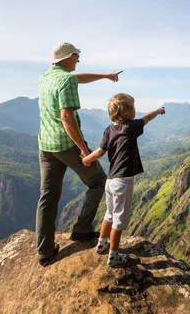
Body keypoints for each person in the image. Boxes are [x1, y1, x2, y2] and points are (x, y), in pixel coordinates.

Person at [36, 42, 123, 267]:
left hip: (46, 145)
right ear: (67, 58)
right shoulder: (65, 80)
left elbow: (78, 78)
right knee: (99, 182)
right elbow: (67, 117)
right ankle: (82, 229)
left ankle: (45, 252)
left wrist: (105, 76)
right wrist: (84, 149)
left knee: (47, 197)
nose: (78, 60)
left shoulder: (47, 76)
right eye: (76, 56)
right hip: (67, 145)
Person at [82, 93, 166, 266]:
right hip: (123, 182)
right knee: (118, 221)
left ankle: (101, 244)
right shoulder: (131, 127)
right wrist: (159, 111)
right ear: (129, 111)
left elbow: (99, 152)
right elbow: (148, 117)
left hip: (110, 181)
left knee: (109, 214)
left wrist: (86, 160)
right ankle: (113, 255)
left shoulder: (108, 129)